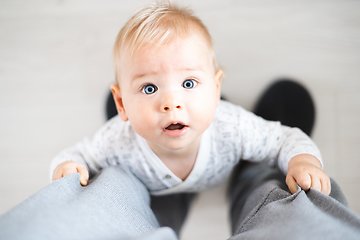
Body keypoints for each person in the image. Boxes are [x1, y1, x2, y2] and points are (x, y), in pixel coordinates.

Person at [2, 1, 360, 239]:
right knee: (114, 184)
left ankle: (252, 172)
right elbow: (76, 155)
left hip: (228, 155)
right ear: (120, 104)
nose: (171, 103)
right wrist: (68, 168)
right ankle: (185, 184)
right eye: (149, 88)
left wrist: (302, 159)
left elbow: (285, 138)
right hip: (151, 181)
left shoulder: (231, 125)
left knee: (269, 160)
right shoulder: (118, 139)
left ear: (217, 89)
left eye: (189, 83)